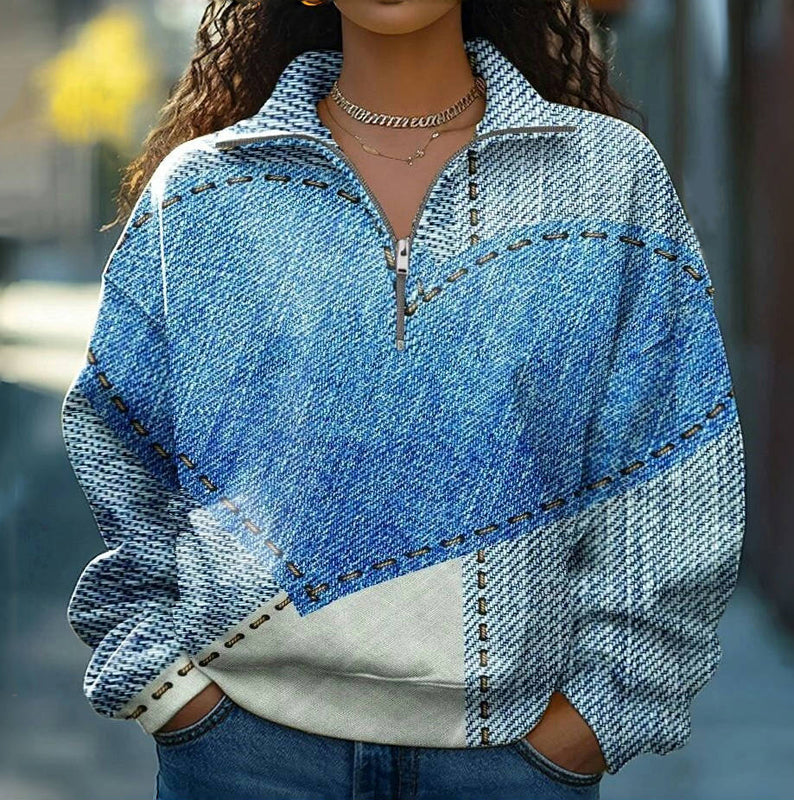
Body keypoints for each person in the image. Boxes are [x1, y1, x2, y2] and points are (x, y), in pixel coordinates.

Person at [61, 1, 746, 799]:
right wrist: (171, 692)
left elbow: (673, 461)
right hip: (241, 758)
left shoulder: (609, 177)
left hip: (513, 765)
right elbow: (120, 444)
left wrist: (591, 724)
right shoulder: (204, 192)